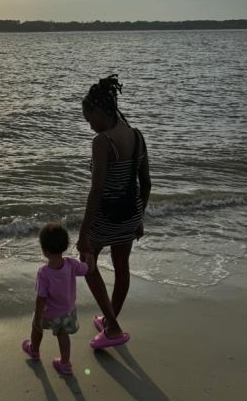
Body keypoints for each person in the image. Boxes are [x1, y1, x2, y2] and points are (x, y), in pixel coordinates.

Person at [76, 74, 151, 349]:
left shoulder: (102, 141)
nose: (90, 125)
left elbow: (96, 190)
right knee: (122, 268)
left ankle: (113, 326)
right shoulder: (137, 136)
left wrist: (84, 233)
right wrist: (139, 218)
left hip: (106, 217)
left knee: (87, 264)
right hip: (130, 214)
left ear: (100, 111)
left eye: (90, 119)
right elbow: (146, 183)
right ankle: (110, 321)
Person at [22, 222, 88, 375]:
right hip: (67, 311)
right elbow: (86, 269)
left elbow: (41, 298)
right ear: (64, 246)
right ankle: (65, 364)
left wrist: (38, 317)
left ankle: (34, 350)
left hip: (49, 313)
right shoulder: (71, 264)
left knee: (36, 328)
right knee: (62, 334)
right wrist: (89, 260)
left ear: (45, 251)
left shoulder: (44, 272)